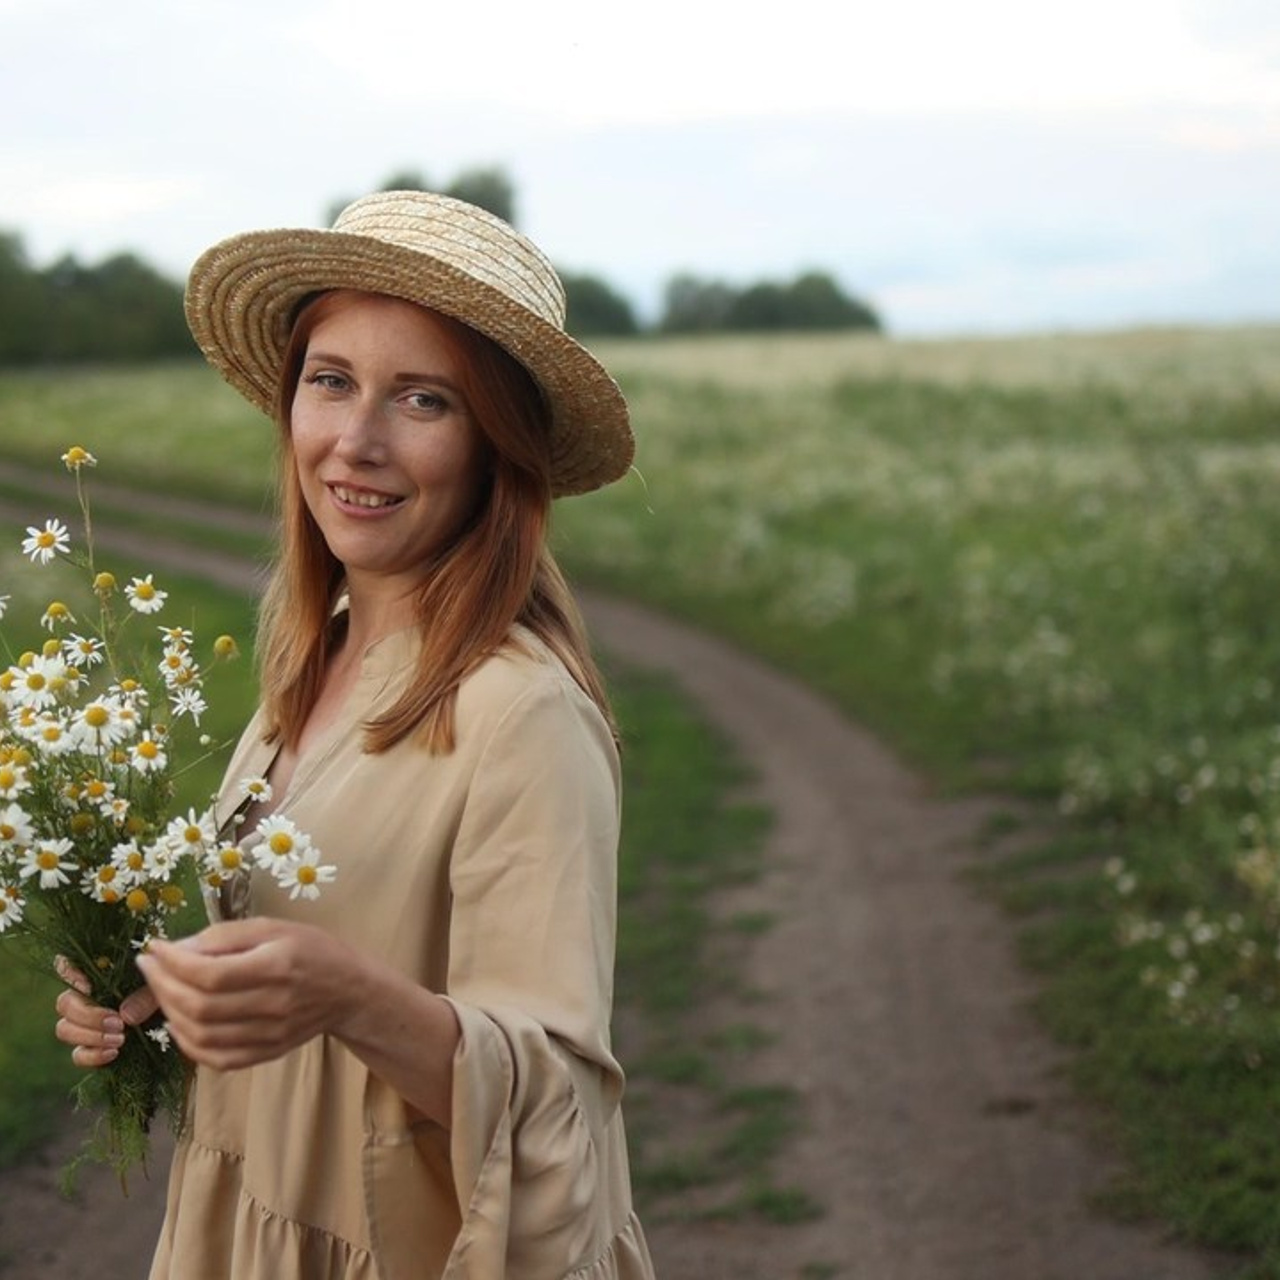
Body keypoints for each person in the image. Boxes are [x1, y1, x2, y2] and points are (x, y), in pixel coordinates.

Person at [53, 189, 656, 1279]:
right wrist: (164, 1004)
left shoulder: (521, 716)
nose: (356, 441)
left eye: (422, 400)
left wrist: (345, 993)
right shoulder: (317, 659)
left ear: (493, 448)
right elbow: (303, 960)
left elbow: (557, 1107)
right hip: (244, 1223)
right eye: (331, 382)